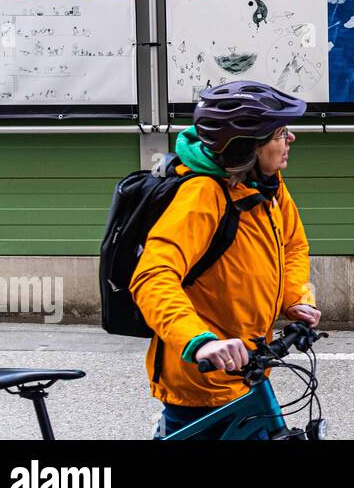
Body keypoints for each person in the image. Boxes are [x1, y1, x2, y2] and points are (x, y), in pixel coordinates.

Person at [130, 81, 320, 440]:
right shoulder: (203, 195)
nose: (290, 139)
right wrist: (201, 341)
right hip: (202, 381)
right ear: (247, 147)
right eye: (280, 133)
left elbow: (292, 244)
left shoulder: (267, 186)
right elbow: (153, 276)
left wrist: (295, 298)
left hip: (248, 368)